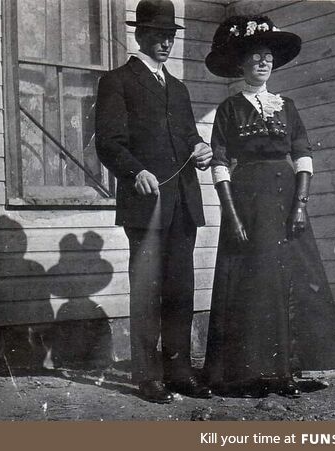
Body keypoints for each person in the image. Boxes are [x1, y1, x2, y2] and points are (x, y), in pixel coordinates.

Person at [203, 16, 334, 398]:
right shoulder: (229, 109)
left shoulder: (287, 107)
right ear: (241, 65)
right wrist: (231, 213)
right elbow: (220, 162)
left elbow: (304, 156)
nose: (263, 63)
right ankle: (246, 374)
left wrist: (300, 205)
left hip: (287, 203)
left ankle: (286, 371)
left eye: (268, 57)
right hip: (247, 205)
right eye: (255, 57)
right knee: (252, 285)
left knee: (288, 283)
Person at [95, 0, 212, 403]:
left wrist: (202, 149)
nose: (166, 43)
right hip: (145, 202)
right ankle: (148, 376)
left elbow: (187, 136)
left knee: (181, 289)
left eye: (171, 36)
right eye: (159, 35)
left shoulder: (178, 89)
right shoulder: (118, 81)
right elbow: (109, 143)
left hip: (183, 201)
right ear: (140, 35)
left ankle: (179, 370)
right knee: (147, 289)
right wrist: (135, 171)